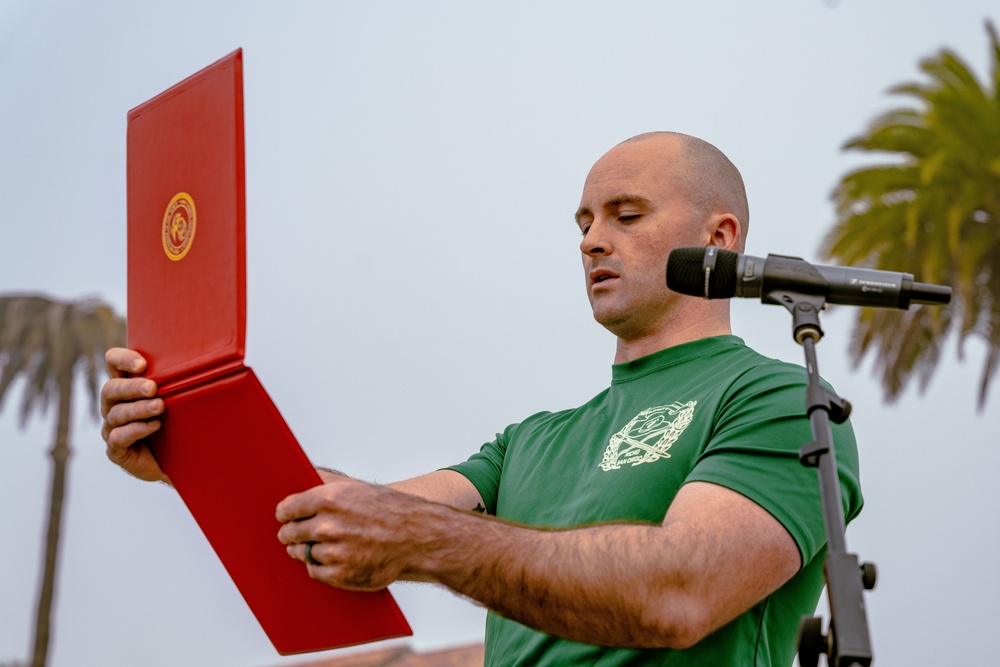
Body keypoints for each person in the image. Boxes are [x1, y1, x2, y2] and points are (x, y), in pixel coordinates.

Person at [101, 131, 863, 666]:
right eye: (584, 222)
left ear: (720, 237)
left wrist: (427, 540)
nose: (593, 240)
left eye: (627, 215)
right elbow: (337, 516)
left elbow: (680, 593)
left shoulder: (773, 395)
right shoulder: (528, 441)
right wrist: (181, 447)